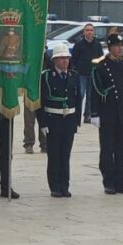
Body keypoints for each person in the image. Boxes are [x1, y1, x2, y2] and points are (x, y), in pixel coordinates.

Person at [91, 33, 123, 195]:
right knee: (107, 149)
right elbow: (95, 90)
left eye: (122, 45)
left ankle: (121, 181)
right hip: (108, 113)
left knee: (122, 149)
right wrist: (94, 113)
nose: (121, 48)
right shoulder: (101, 66)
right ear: (110, 48)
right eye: (117, 46)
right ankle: (108, 181)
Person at [37, 43, 81, 198]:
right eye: (62, 58)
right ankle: (54, 186)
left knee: (65, 155)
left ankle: (65, 185)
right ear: (55, 60)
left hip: (68, 119)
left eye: (67, 58)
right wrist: (42, 123)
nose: (65, 62)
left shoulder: (73, 75)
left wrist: (77, 121)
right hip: (53, 119)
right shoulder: (46, 76)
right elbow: (40, 102)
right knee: (54, 155)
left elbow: (77, 99)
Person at [71, 23, 104, 123]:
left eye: (91, 30)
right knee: (80, 95)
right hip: (81, 74)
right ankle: (76, 116)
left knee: (90, 96)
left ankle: (87, 116)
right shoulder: (79, 44)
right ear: (84, 32)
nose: (89, 32)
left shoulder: (97, 45)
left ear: (94, 32)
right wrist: (74, 70)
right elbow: (73, 59)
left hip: (93, 74)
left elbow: (100, 59)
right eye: (87, 30)